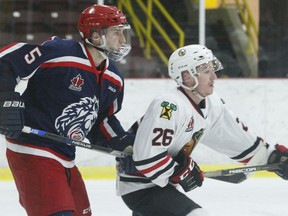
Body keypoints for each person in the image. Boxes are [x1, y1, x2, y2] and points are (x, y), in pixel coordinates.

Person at [116, 44, 288, 216]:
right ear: (187, 77)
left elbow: (235, 137)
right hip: (140, 187)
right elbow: (148, 158)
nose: (214, 76)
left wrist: (272, 156)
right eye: (206, 71)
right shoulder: (169, 105)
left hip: (163, 185)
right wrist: (178, 171)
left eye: (212, 69)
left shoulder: (210, 103)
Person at [0, 4, 134, 216]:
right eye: (116, 33)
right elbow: (6, 62)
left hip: (65, 156)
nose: (123, 40)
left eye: (123, 32)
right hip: (32, 150)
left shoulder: (114, 79)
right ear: (96, 36)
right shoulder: (61, 53)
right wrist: (6, 100)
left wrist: (126, 146)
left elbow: (101, 120)